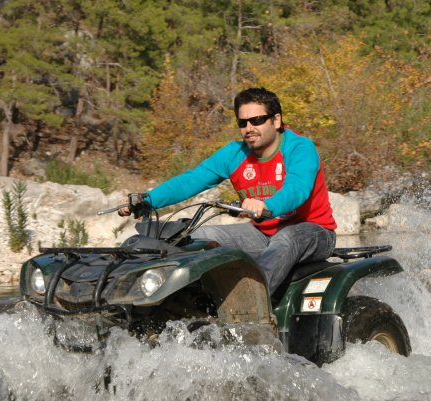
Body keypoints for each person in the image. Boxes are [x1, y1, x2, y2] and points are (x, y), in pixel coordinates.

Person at [121, 87, 337, 294]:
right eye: (243, 123)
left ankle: (251, 306)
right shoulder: (234, 153)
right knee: (195, 236)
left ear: (276, 120)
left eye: (257, 120)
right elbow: (191, 180)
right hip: (262, 233)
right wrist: (146, 200)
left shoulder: (300, 148)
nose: (249, 128)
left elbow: (297, 188)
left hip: (313, 232)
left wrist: (266, 205)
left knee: (287, 239)